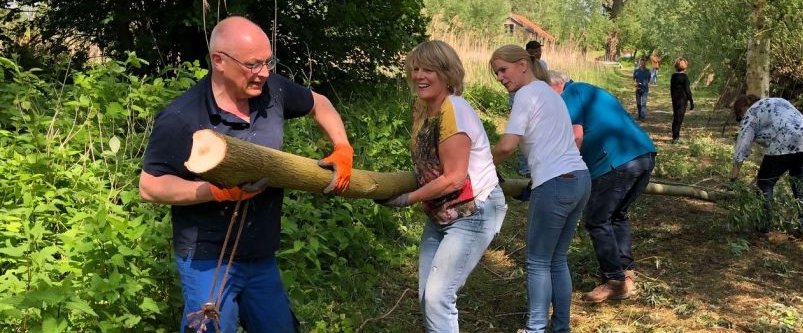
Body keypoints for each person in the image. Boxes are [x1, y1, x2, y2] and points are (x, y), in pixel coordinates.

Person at [138, 16, 354, 332]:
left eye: (268, 62)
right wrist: (213, 192)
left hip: (260, 254)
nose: (264, 72)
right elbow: (150, 186)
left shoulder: (273, 90)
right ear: (219, 61)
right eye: (253, 64)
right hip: (207, 258)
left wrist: (342, 146)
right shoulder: (181, 117)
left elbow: (319, 103)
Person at [377, 40, 507, 332]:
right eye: (416, 69)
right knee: (427, 296)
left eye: (429, 70)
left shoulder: (454, 110)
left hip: (474, 212)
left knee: (438, 298)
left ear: (448, 74)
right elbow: (429, 165)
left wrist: (405, 198)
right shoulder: (424, 111)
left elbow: (454, 178)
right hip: (442, 213)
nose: (419, 76)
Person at [489, 45, 590, 333]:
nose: (499, 77)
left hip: (556, 183)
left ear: (522, 64)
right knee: (556, 259)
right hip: (580, 179)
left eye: (503, 70)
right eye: (496, 72)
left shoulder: (526, 94)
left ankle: (535, 329)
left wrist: (480, 165)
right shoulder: (551, 93)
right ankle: (560, 328)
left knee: (537, 262)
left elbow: (507, 145)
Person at [548, 71, 656, 303]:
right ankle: (626, 271)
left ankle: (615, 281)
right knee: (617, 215)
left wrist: (561, 172)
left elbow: (575, 138)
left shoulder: (570, 93)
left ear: (555, 85)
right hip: (644, 155)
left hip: (616, 162)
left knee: (597, 220)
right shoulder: (592, 90)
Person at [730, 95, 803, 238]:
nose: (741, 120)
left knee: (765, 183)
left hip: (786, 144)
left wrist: (733, 179)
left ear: (743, 108)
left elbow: (742, 147)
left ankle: (763, 227)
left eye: (739, 116)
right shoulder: (777, 100)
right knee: (800, 185)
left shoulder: (751, 113)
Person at [669, 57, 695, 143]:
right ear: (685, 66)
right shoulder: (684, 77)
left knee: (676, 117)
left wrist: (673, 98)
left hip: (675, 99)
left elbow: (671, 89)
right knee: (679, 118)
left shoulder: (673, 76)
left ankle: (675, 136)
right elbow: (687, 90)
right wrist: (691, 101)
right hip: (682, 100)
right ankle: (676, 137)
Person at [633, 56, 651, 121]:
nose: (643, 63)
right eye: (642, 62)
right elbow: (633, 79)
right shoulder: (636, 71)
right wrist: (635, 83)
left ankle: (643, 117)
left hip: (645, 89)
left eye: (644, 62)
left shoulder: (648, 71)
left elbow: (649, 80)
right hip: (638, 89)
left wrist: (645, 84)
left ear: (646, 63)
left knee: (644, 103)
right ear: (640, 63)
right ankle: (639, 116)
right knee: (638, 103)